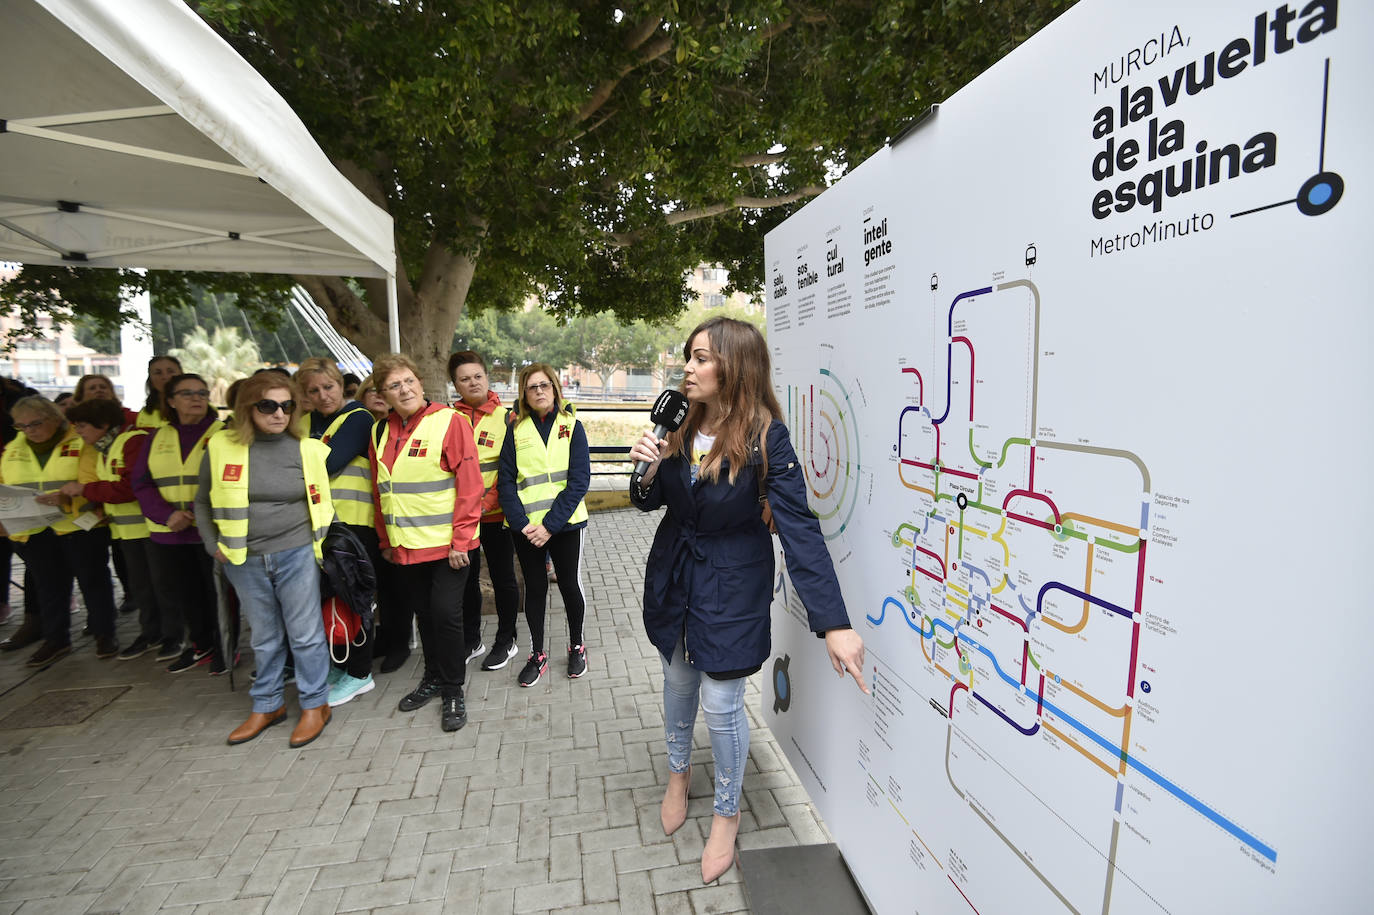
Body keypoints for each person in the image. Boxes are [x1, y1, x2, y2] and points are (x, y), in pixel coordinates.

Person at [627, 316, 869, 884]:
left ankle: (728, 811)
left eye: (702, 357)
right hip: (676, 573)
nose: (689, 366)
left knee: (721, 702)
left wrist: (833, 621)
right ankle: (680, 773)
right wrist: (647, 468)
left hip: (734, 582)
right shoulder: (678, 424)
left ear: (735, 366)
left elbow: (801, 530)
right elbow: (647, 501)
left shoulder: (766, 437)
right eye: (689, 355)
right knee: (679, 681)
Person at [196, 373, 335, 747]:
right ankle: (267, 704)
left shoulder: (306, 448)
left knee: (305, 635)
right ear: (248, 408)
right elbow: (202, 501)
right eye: (268, 406)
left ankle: (314, 704)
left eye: (287, 406)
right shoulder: (221, 446)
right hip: (244, 558)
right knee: (265, 637)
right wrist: (214, 545)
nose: (279, 414)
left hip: (297, 552)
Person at [369, 354, 483, 731]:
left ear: (420, 382)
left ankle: (453, 689)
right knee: (425, 614)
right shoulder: (379, 431)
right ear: (383, 394)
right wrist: (386, 541)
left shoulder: (450, 421)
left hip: (448, 547)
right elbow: (380, 490)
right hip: (405, 546)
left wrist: (461, 541)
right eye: (393, 386)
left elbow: (470, 485)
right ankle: (432, 677)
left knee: (447, 616)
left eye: (408, 381)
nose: (403, 390)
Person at [0, 395, 117, 664]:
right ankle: (56, 640)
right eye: (22, 426)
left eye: (35, 423)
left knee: (93, 581)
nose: (30, 430)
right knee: (48, 586)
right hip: (35, 530)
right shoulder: (13, 448)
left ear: (54, 418)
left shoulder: (79, 442)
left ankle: (104, 634)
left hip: (78, 525)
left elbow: (93, 480)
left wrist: (70, 497)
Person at [496, 363, 591, 687]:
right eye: (532, 387)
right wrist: (523, 524)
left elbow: (579, 481)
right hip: (526, 530)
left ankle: (577, 645)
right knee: (534, 590)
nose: (538, 391)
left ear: (555, 388)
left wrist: (549, 525)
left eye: (544, 385)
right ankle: (537, 654)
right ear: (524, 393)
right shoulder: (515, 429)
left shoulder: (572, 425)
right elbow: (505, 482)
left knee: (569, 586)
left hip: (564, 525)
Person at [297, 356, 381, 700]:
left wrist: (301, 455)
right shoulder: (302, 423)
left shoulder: (358, 417)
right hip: (318, 526)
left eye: (329, 387)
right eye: (313, 390)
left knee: (356, 600)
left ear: (339, 384)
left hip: (354, 526)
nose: (323, 395)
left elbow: (328, 464)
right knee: (326, 600)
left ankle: (360, 672)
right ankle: (339, 663)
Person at [61, 398, 169, 660]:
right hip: (127, 531)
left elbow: (129, 487)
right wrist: (101, 508)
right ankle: (152, 633)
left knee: (161, 586)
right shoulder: (105, 447)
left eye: (83, 425)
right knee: (142, 587)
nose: (78, 431)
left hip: (148, 529)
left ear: (104, 424)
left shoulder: (132, 441)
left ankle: (170, 636)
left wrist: (85, 490)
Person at [132, 372, 226, 672]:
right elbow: (142, 483)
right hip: (170, 533)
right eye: (187, 393)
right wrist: (168, 514)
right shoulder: (156, 437)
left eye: (201, 392)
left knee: (220, 596)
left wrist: (198, 514)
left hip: (212, 531)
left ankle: (226, 647)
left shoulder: (224, 433)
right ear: (171, 401)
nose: (196, 398)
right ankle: (201, 646)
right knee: (186, 596)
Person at [448, 351, 521, 671]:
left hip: (495, 516)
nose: (472, 383)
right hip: (460, 519)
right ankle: (470, 640)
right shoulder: (448, 419)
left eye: (477, 376)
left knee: (504, 578)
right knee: (465, 582)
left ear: (488, 378)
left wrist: (485, 503)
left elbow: (512, 469)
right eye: (464, 379)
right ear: (455, 384)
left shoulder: (508, 418)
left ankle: (507, 640)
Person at [136, 355, 183, 429]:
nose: (165, 377)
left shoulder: (197, 408)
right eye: (158, 373)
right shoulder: (145, 414)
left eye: (170, 371)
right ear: (150, 380)